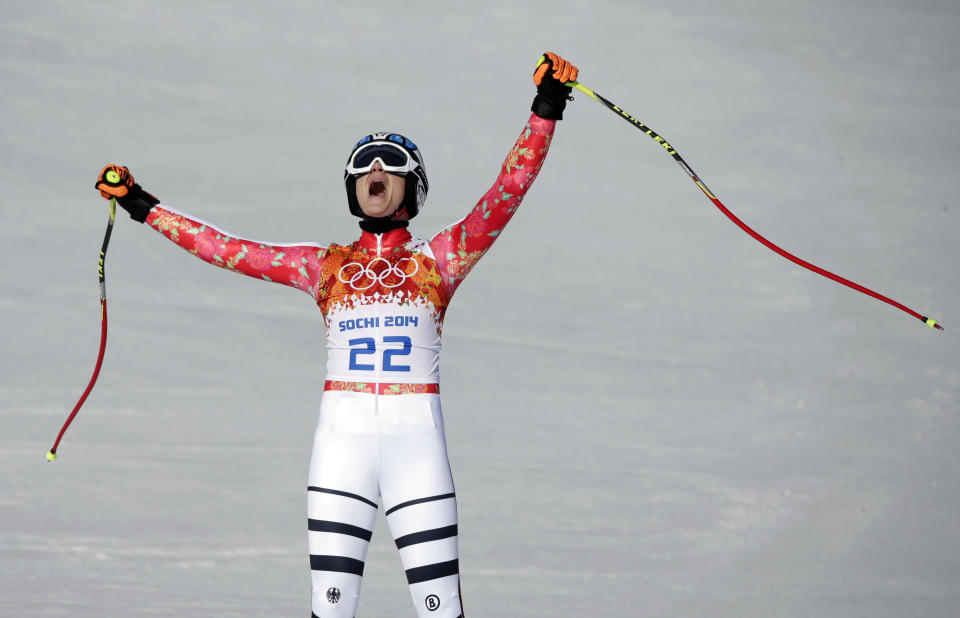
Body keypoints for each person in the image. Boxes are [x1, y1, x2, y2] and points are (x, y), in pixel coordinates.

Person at [94, 52, 579, 618]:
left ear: (412, 187)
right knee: (330, 612)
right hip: (340, 453)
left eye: (390, 163)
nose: (374, 168)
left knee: (440, 611)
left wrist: (547, 106)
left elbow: (507, 191)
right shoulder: (323, 267)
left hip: (416, 453)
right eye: (363, 164)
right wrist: (139, 205)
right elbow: (227, 250)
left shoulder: (441, 260)